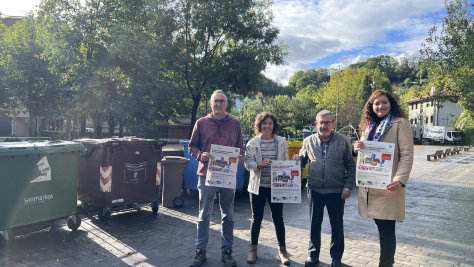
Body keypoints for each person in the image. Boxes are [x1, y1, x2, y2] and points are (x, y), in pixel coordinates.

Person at [353, 90, 414, 267]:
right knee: (381, 228)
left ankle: (386, 264)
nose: (381, 106)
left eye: (384, 102)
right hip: (371, 185)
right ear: (371, 107)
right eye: (376, 103)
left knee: (387, 230)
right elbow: (362, 155)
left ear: (391, 103)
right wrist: (356, 148)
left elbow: (407, 153)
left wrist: (400, 179)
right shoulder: (367, 126)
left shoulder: (400, 123)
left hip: (389, 186)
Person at [292, 110, 356, 267]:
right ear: (316, 124)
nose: (324, 125)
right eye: (321, 122)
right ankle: (313, 255)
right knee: (314, 223)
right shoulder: (308, 141)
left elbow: (350, 165)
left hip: (336, 190)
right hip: (314, 190)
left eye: (327, 122)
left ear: (333, 124)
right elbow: (301, 161)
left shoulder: (343, 141)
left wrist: (348, 186)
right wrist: (296, 160)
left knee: (337, 225)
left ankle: (336, 258)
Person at [188, 90, 244, 267]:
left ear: (226, 104)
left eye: (221, 101)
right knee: (204, 215)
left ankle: (226, 252)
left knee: (228, 215)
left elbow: (240, 147)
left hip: (228, 176)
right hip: (206, 175)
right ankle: (200, 252)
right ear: (211, 104)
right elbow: (191, 146)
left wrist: (240, 156)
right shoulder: (201, 123)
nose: (218, 104)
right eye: (215, 101)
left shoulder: (235, 124)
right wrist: (199, 155)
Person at [244, 112, 291, 265]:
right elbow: (247, 163)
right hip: (258, 186)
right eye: (264, 123)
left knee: (278, 219)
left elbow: (285, 162)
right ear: (260, 125)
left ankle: (283, 251)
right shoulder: (252, 143)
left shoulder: (282, 141)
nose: (267, 126)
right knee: (256, 219)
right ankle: (253, 250)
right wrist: (258, 165)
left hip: (277, 186)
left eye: (270, 123)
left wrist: (289, 163)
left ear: (274, 126)